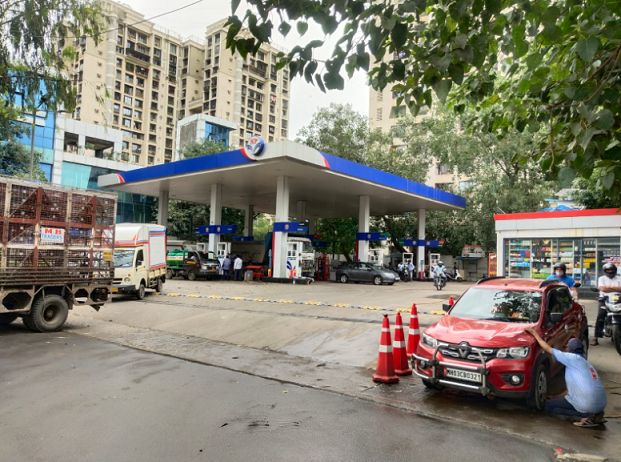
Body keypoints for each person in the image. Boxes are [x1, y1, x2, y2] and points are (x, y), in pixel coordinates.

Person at [524, 327, 607, 428]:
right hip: (601, 404)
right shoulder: (587, 365)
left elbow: (547, 348)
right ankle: (596, 414)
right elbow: (572, 391)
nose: (566, 348)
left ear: (569, 350)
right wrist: (554, 397)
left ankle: (586, 415)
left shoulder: (571, 358)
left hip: (587, 404)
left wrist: (534, 333)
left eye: (567, 347)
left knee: (548, 406)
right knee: (559, 401)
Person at [592, 262, 621, 346]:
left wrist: (609, 287)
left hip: (618, 299)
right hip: (604, 299)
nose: (610, 271)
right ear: (605, 271)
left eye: (612, 270)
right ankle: (595, 338)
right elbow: (603, 289)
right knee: (600, 316)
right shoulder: (602, 278)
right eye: (608, 270)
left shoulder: (619, 278)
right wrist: (615, 289)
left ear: (615, 270)